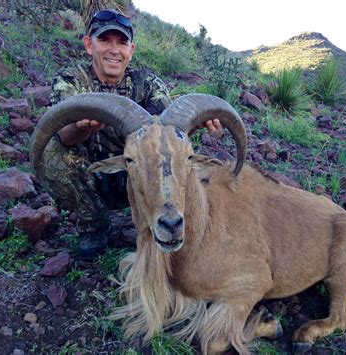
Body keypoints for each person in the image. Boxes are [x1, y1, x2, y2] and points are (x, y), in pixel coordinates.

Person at [42, 9, 221, 258]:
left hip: (141, 175)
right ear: (89, 45)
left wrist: (194, 123)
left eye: (122, 42)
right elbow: (63, 135)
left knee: (174, 156)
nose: (114, 49)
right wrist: (79, 129)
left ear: (131, 50)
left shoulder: (148, 84)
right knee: (51, 151)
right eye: (104, 40)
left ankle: (163, 214)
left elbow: (166, 135)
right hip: (94, 175)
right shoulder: (71, 81)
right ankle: (94, 223)